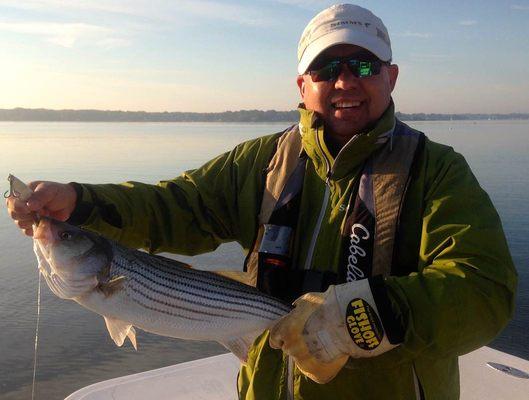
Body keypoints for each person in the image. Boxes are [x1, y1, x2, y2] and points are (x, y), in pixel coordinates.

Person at [6, 4, 517, 399]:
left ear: (391, 76)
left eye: (363, 64)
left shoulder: (437, 170)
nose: (344, 82)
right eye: (325, 69)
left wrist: (365, 314)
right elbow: (179, 206)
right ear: (302, 85)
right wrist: (79, 202)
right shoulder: (264, 161)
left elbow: (483, 290)